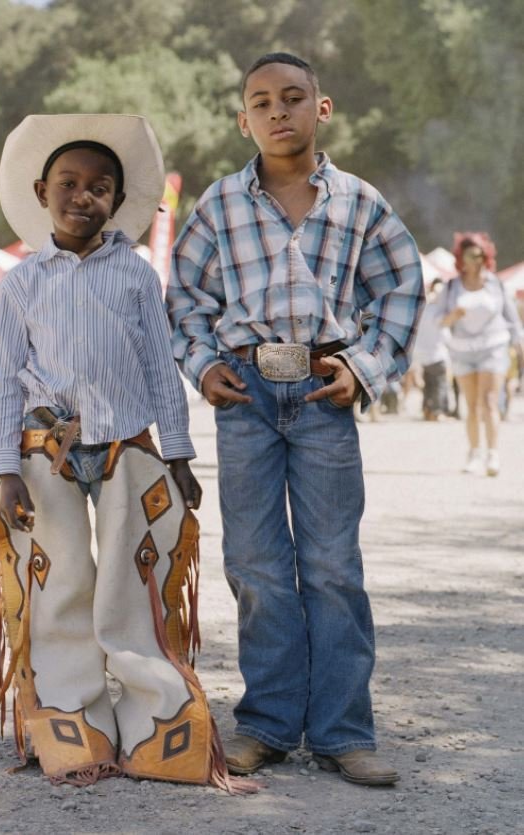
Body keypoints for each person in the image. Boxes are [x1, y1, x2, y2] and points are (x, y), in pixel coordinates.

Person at [167, 52, 425, 787]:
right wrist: (203, 364)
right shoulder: (218, 204)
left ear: (323, 108)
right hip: (245, 393)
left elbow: (402, 287)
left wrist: (363, 367)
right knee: (253, 562)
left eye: (292, 98)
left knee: (333, 564)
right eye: (260, 102)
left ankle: (345, 731)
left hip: (321, 391)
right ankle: (269, 723)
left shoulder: (359, 202)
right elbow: (185, 295)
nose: (277, 112)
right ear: (241, 118)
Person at [0, 113, 246, 791]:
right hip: (45, 451)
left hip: (127, 446)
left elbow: (159, 365)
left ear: (118, 202)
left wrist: (178, 457)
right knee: (61, 582)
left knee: (133, 581)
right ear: (42, 192)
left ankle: (153, 727)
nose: (82, 195)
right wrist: (4, 469)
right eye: (68, 182)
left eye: (100, 186)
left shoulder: (135, 276)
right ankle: (72, 723)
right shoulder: (20, 283)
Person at [436, 232, 523, 476]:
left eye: (479, 255)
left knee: (489, 402)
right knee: (472, 405)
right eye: (469, 255)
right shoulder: (452, 286)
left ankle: (493, 454)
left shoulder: (496, 284)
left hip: (493, 347)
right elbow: (437, 320)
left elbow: (512, 319)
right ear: (460, 258)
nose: (475, 260)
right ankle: (474, 453)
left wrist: (519, 345)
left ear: (486, 256)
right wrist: (453, 316)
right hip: (463, 350)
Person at [413, 277, 451, 421]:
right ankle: (438, 412)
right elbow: (446, 336)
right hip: (438, 353)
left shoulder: (423, 311)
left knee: (428, 384)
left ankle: (427, 411)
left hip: (422, 354)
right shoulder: (439, 312)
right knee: (439, 384)